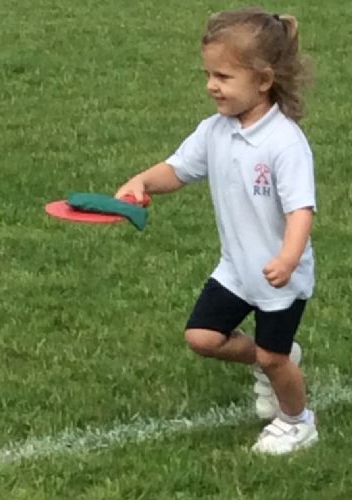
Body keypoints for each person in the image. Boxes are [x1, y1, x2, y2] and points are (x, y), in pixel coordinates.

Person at [115, 6, 318, 454]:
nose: (211, 85)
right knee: (203, 337)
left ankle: (298, 421)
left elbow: (301, 211)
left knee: (273, 357)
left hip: (278, 276)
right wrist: (143, 182)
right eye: (208, 74)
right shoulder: (215, 131)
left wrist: (288, 259)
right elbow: (178, 170)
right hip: (237, 269)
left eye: (223, 77)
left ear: (263, 80)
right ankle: (275, 360)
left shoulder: (284, 142)